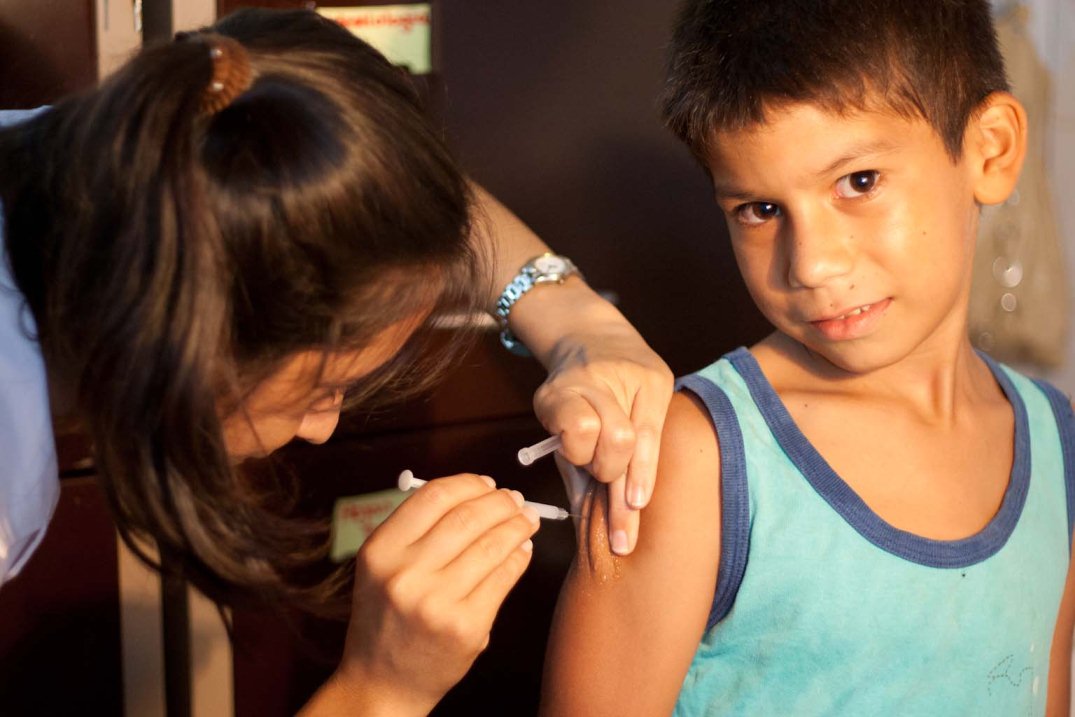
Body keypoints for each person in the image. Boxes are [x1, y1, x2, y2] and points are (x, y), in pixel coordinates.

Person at [0, 8, 673, 715]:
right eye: (322, 389)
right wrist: (381, 687)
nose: (323, 428)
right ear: (187, 340)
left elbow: (348, 188)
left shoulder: (154, 148)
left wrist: (576, 318)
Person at [541, 1, 1075, 715]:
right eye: (759, 211)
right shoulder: (696, 459)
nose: (813, 264)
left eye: (858, 182)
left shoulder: (1054, 444)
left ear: (990, 150)